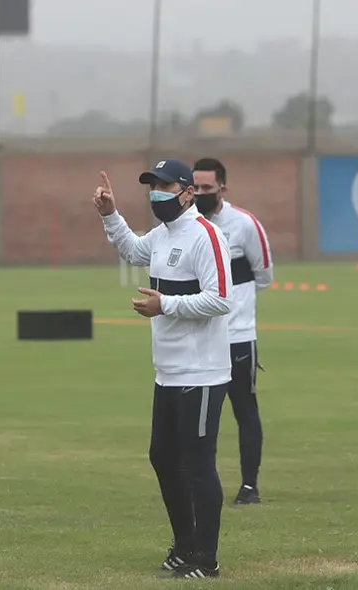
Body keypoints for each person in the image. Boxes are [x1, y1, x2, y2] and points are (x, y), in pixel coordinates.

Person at [94, 158, 232, 579]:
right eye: (152, 186)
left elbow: (221, 299)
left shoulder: (206, 236)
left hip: (202, 373)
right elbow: (134, 250)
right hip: (168, 371)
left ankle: (205, 560)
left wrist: (164, 305)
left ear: (188, 192)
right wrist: (110, 215)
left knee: (198, 463)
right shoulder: (164, 234)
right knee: (163, 458)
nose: (156, 193)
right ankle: (185, 545)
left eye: (164, 186)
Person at [192, 157, 273, 505]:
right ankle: (197, 483)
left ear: (222, 189)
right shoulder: (188, 226)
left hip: (238, 337)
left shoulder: (244, 225)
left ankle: (249, 486)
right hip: (198, 338)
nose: (200, 194)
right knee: (198, 416)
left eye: (207, 189)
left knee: (245, 410)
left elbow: (265, 276)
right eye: (195, 188)